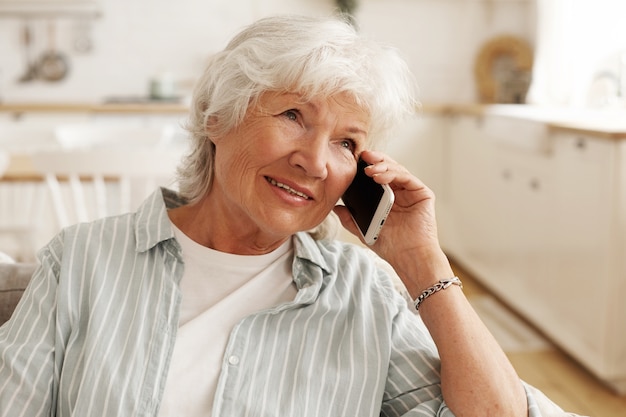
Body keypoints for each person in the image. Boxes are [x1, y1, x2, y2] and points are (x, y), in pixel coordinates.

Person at [0, 14, 575, 417]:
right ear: (217, 116)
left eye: (347, 143)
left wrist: (421, 259)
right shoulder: (78, 261)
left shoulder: (362, 295)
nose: (315, 161)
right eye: (294, 115)